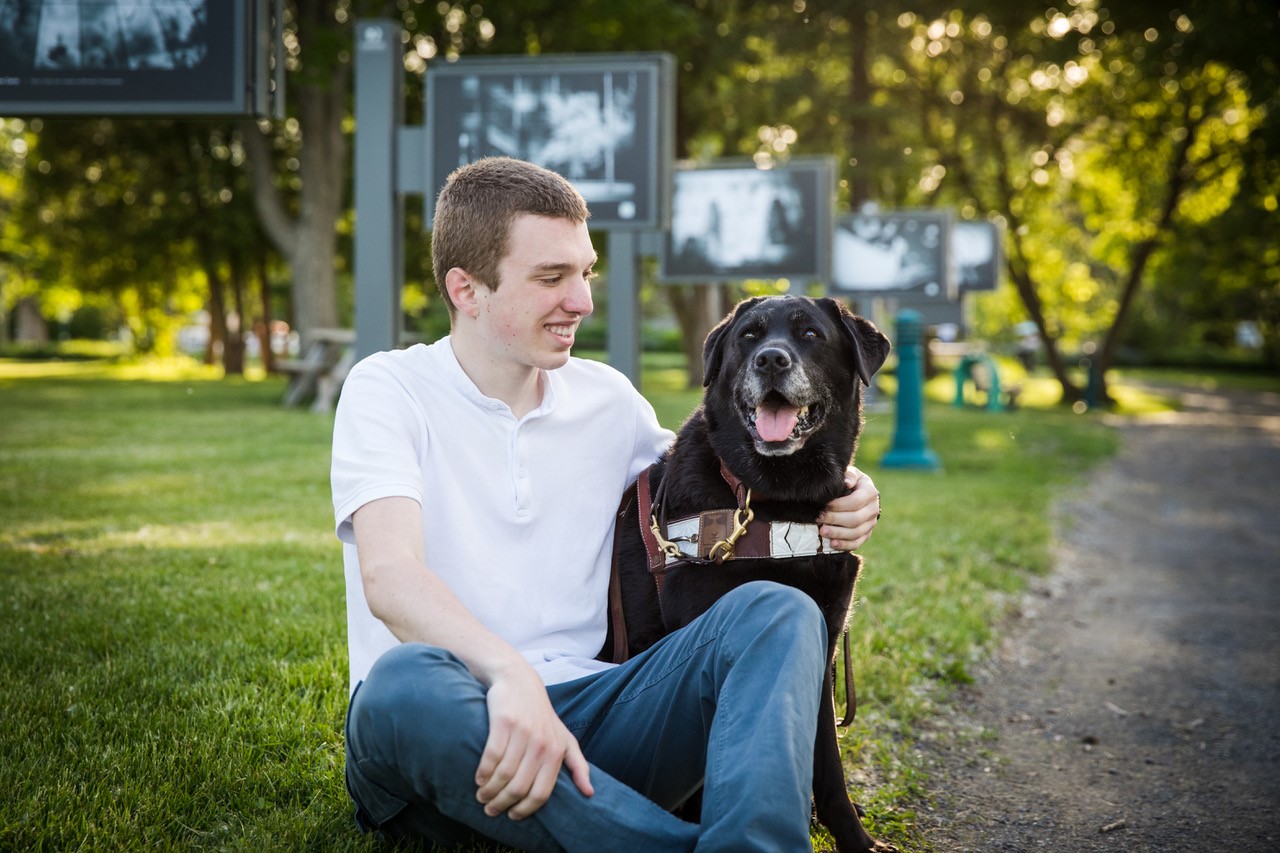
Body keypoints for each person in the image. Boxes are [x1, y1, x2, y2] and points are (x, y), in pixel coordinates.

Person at [331, 156, 882, 852]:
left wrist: (854, 487)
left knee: (779, 612)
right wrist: (509, 676)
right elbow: (390, 577)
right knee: (400, 683)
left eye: (585, 273)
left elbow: (726, 481)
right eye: (551, 278)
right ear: (466, 289)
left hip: (600, 717)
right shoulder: (389, 388)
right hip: (452, 722)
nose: (583, 301)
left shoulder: (608, 400)